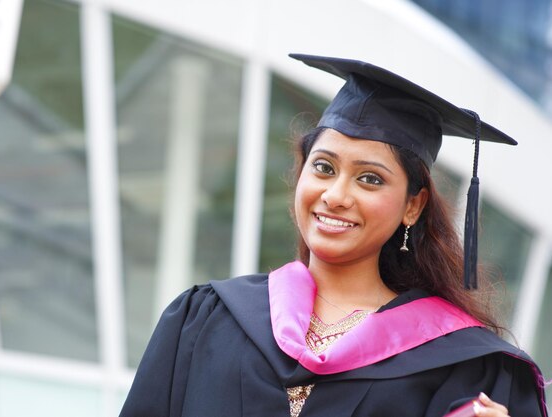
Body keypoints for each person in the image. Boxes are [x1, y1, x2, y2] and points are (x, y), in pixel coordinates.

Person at [119, 54, 548, 417]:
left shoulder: (464, 366)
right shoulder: (206, 318)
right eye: (323, 168)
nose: (336, 195)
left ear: (412, 205)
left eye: (370, 179)